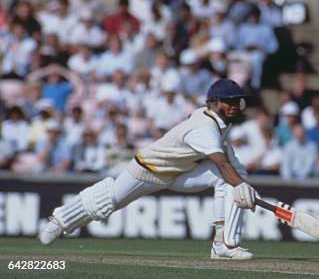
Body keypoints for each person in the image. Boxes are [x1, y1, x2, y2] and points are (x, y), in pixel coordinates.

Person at [38, 78, 259, 260]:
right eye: (229, 100)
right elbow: (221, 162)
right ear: (215, 102)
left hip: (179, 173)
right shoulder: (204, 128)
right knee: (108, 202)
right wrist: (240, 185)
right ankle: (60, 220)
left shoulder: (218, 120)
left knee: (228, 178)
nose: (235, 105)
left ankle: (224, 244)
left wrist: (240, 184)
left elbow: (224, 158)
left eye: (238, 100)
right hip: (147, 169)